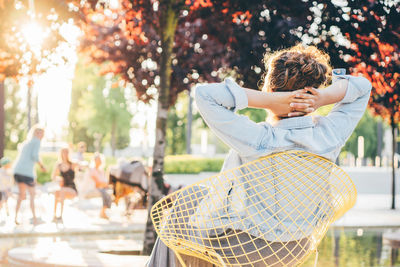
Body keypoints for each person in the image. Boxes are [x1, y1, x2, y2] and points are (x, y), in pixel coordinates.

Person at [147, 44, 372, 266]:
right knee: (195, 199)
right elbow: (363, 86)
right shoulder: (329, 135)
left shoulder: (259, 139)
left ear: (271, 89)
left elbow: (205, 94)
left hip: (249, 249)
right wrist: (322, 97)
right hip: (299, 246)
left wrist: (269, 101)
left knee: (186, 205)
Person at [13, 125, 46, 225]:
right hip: (27, 173)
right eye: (40, 133)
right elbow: (34, 156)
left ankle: (16, 218)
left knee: (21, 195)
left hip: (18, 171)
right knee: (32, 195)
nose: (41, 135)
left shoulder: (26, 143)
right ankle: (35, 219)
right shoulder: (37, 142)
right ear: (36, 133)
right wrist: (42, 166)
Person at [51, 147, 79, 222]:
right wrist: (59, 179)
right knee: (57, 192)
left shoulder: (72, 164)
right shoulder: (59, 165)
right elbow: (53, 177)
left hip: (72, 188)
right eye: (64, 152)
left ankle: (61, 216)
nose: (65, 154)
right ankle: (54, 216)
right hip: (63, 188)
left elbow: (81, 165)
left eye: (67, 152)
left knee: (62, 191)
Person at [88, 153, 112, 219]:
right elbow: (96, 183)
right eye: (97, 160)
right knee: (105, 193)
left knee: (109, 193)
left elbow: (105, 182)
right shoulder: (92, 170)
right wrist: (104, 184)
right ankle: (103, 213)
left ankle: (103, 212)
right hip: (95, 188)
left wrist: (105, 184)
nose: (99, 161)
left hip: (102, 188)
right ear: (94, 160)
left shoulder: (101, 171)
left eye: (100, 160)